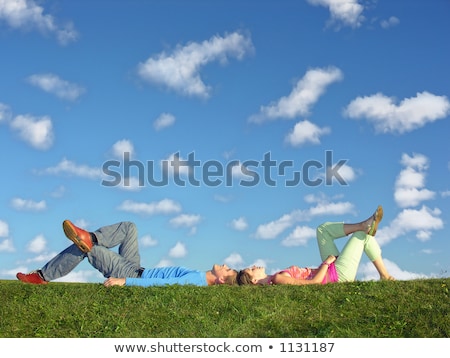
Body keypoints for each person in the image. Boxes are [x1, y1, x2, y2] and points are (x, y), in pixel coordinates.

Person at [16, 220, 238, 287]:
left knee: (89, 251)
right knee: (129, 228)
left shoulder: (198, 280)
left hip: (131, 275)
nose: (225, 264)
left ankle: (42, 276)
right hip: (136, 267)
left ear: (220, 278)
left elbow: (161, 285)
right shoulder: (199, 277)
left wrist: (125, 282)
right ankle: (91, 236)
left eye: (227, 269)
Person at [237, 205, 395, 285]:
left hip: (330, 270)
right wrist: (326, 264)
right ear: (254, 281)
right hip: (336, 276)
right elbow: (313, 284)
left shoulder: (275, 277)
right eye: (251, 269)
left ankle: (363, 225)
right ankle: (385, 276)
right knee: (362, 237)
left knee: (322, 230)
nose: (254, 266)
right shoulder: (278, 279)